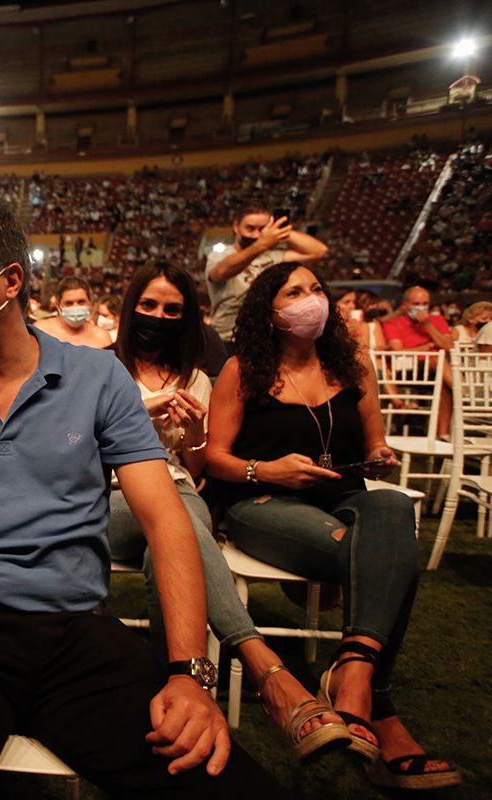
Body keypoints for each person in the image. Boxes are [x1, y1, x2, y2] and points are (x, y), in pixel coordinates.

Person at [0, 194, 282, 800]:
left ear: (10, 280)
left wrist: (187, 672)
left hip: (75, 633)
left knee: (223, 783)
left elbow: (167, 524)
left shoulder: (97, 378)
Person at [205, 263, 460, 791]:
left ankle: (355, 669)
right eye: (294, 292)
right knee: (385, 557)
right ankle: (377, 706)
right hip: (260, 502)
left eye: (316, 288)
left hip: (343, 495)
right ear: (269, 312)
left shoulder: (352, 365)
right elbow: (215, 458)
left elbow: (375, 443)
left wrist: (380, 456)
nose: (310, 299)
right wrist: (267, 470)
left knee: (391, 510)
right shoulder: (244, 369)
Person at [108, 262, 350, 762]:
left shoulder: (197, 378)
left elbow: (197, 467)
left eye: (172, 309)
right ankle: (264, 667)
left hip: (178, 488)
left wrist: (193, 434)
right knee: (178, 517)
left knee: (174, 529)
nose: (158, 315)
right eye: (149, 305)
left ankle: (173, 691)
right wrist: (136, 417)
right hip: (111, 498)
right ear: (130, 309)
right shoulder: (98, 369)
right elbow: (72, 456)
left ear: (188, 318)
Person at [206, 204, 328, 346]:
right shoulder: (220, 255)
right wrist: (262, 244)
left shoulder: (274, 256)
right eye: (250, 228)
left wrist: (281, 230)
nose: (257, 235)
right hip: (227, 339)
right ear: (236, 227)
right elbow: (220, 272)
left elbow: (318, 251)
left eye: (262, 229)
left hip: (265, 338)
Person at [382, 286, 455, 436]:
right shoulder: (393, 323)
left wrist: (428, 326)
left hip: (436, 372)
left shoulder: (436, 320)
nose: (421, 307)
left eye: (425, 303)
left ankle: (442, 435)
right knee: (435, 360)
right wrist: (424, 348)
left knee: (443, 384)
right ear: (405, 305)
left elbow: (449, 347)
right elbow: (397, 351)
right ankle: (461, 389)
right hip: (407, 368)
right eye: (416, 304)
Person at [32, 277, 113, 348]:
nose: (75, 307)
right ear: (58, 305)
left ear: (90, 303)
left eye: (81, 302)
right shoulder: (41, 331)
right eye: (69, 303)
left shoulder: (102, 337)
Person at [335, 289, 389, 358]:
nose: (352, 306)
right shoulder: (330, 327)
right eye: (347, 302)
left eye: (354, 302)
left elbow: (364, 351)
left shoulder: (370, 324)